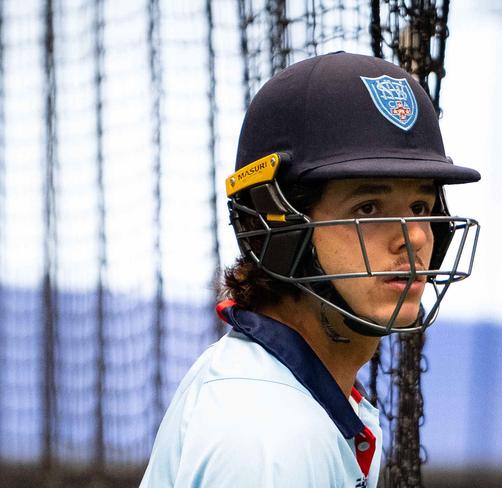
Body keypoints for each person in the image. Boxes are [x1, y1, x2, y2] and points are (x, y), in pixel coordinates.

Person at [140, 51, 480, 488]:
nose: (413, 236)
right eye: (369, 208)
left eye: (420, 206)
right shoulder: (270, 442)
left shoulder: (289, 395)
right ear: (278, 227)